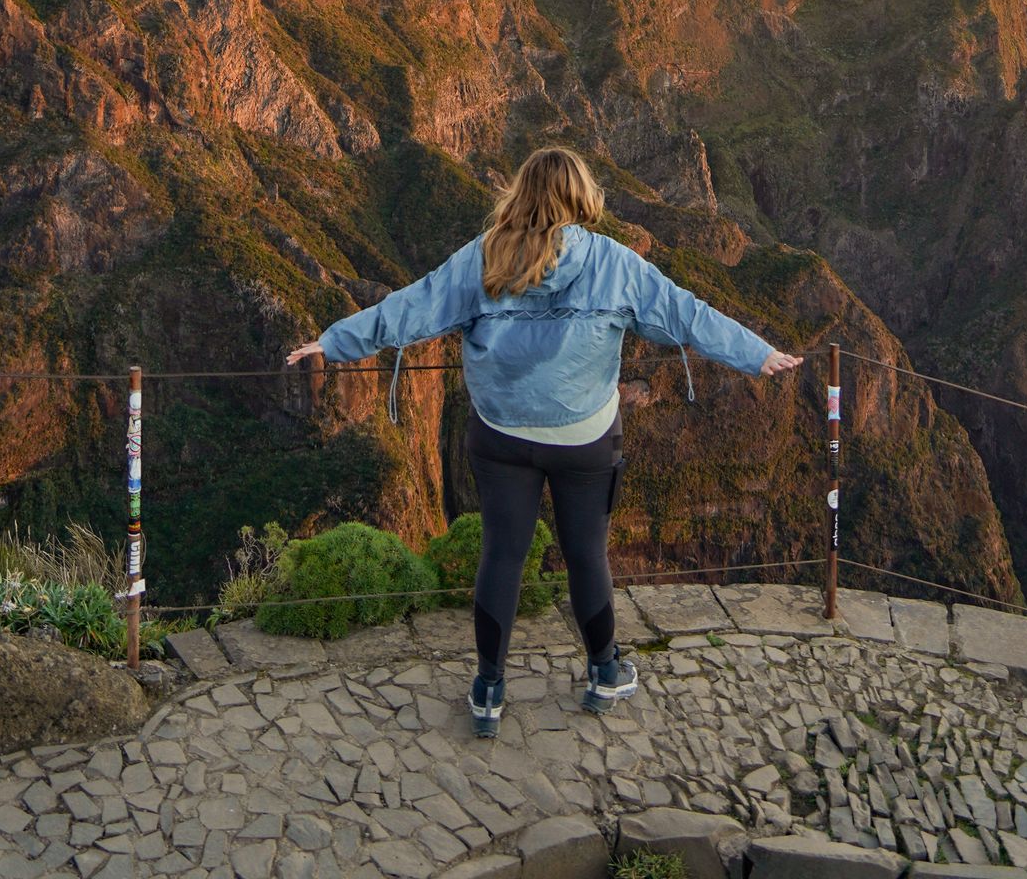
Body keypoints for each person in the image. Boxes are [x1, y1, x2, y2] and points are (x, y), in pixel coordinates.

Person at [287, 146, 803, 737]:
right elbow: (686, 314)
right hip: (585, 438)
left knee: (502, 554)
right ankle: (605, 671)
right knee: (586, 553)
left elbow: (412, 306)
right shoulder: (613, 262)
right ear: (580, 197)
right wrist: (756, 353)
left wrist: (334, 341)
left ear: (521, 193)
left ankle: (488, 690)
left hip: (500, 433)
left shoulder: (483, 258)